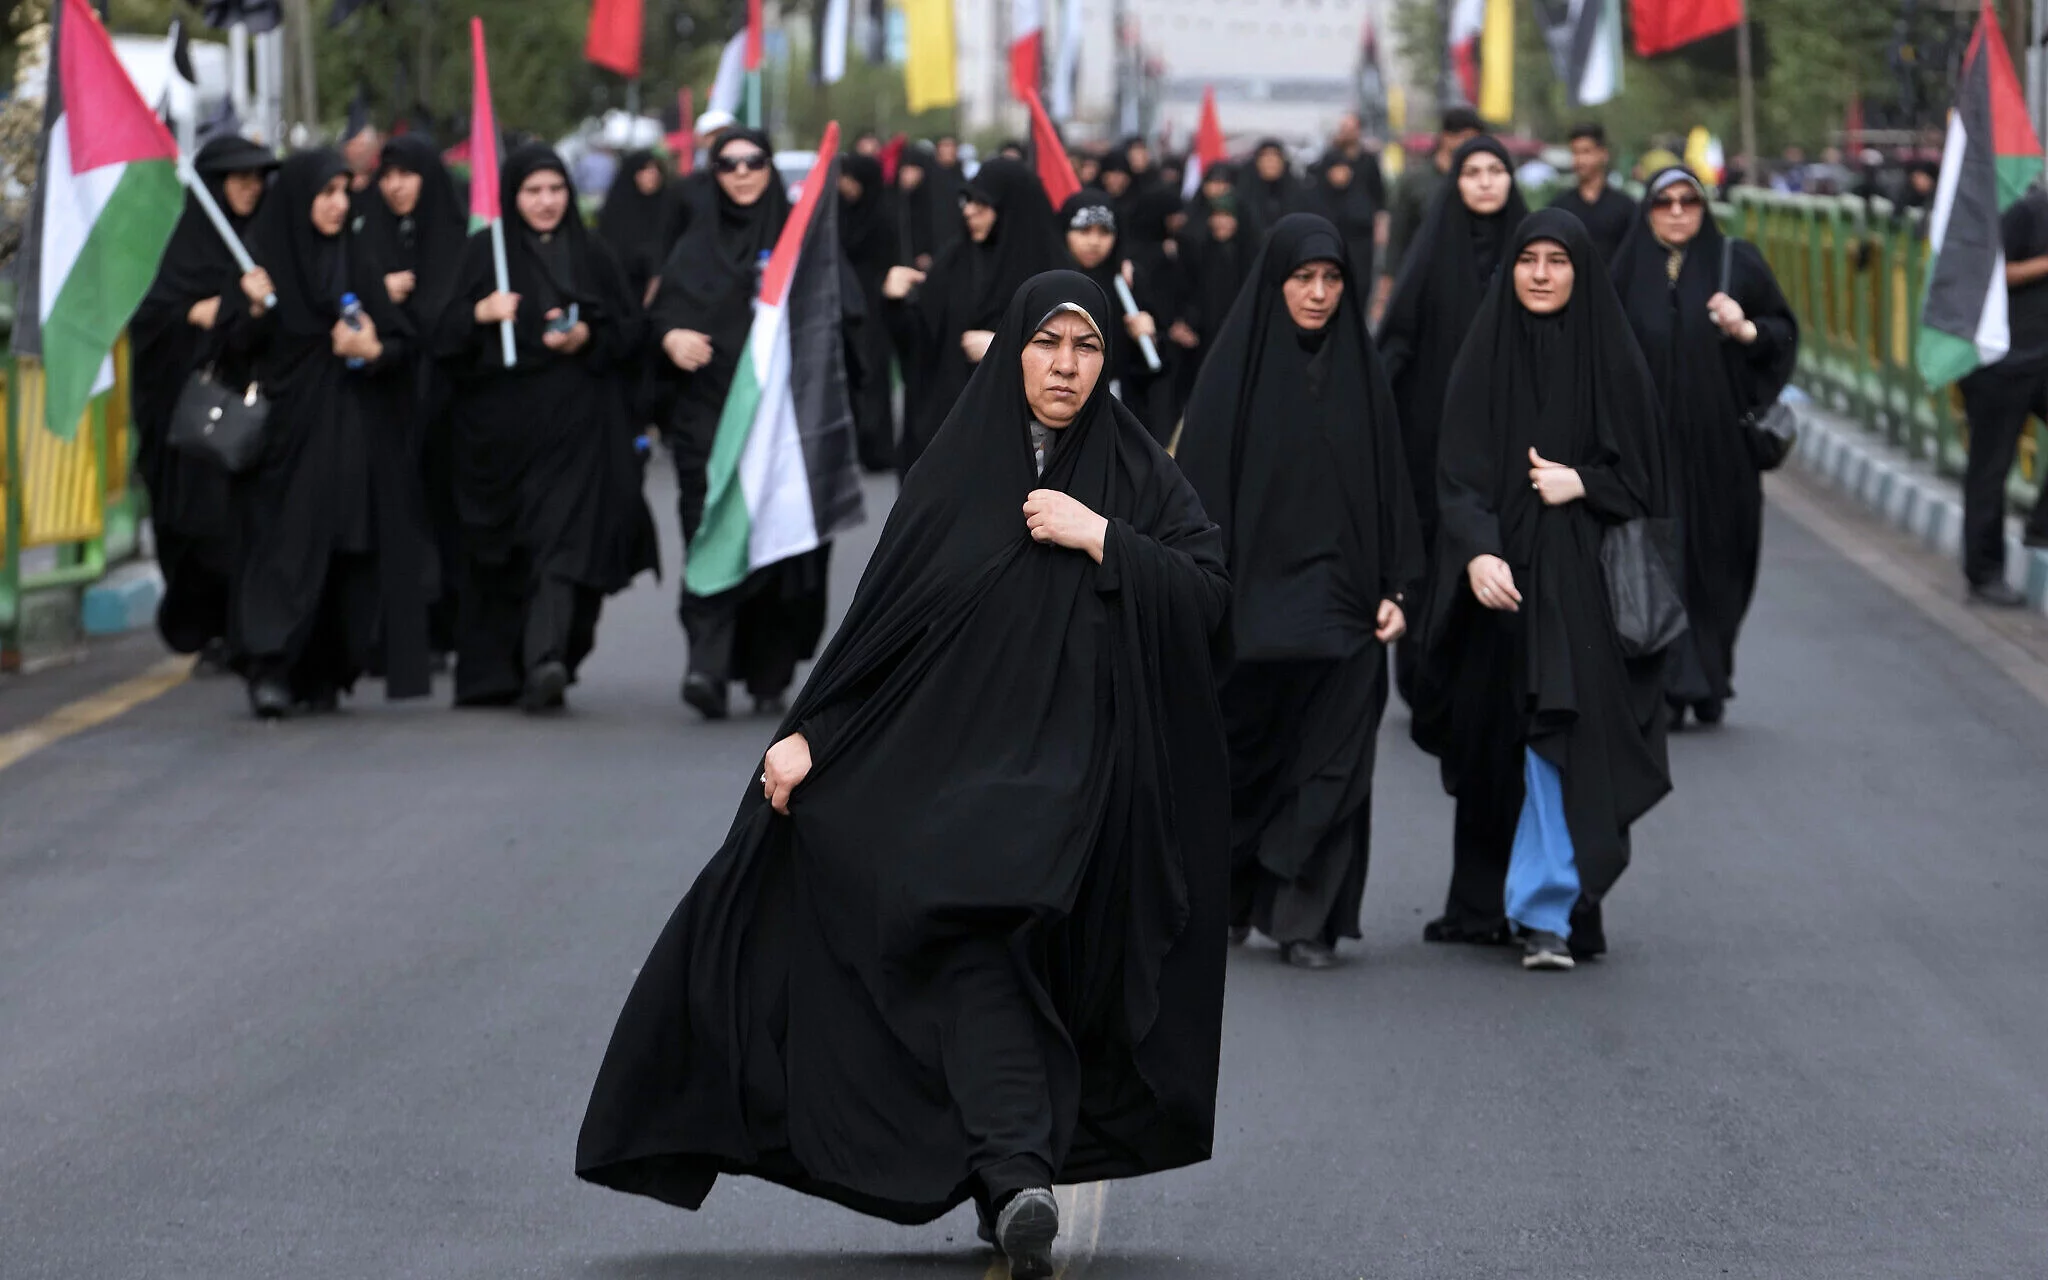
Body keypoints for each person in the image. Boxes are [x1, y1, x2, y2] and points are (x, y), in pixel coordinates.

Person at [576, 272, 1232, 1280]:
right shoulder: (953, 476)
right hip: (949, 773)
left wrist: (1098, 535)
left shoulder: (1137, 475)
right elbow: (883, 635)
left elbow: (1205, 593)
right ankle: (1013, 1176)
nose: (1064, 366)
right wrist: (811, 737)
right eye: (1047, 343)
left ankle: (1009, 1171)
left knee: (1000, 946)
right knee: (971, 936)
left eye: (1085, 348)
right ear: (1013, 348)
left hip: (1082, 779)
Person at [1411, 208, 1673, 968]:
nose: (1541, 274)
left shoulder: (1612, 360)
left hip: (1583, 589)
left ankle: (1548, 909)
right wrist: (1476, 555)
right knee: (1501, 744)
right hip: (1500, 590)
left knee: (1555, 738)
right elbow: (1457, 476)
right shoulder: (1484, 355)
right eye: (1530, 260)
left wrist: (1580, 481)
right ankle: (1498, 901)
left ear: (1581, 271)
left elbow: (1646, 479)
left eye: (1558, 261)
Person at [1177, 214, 1422, 968]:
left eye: (1332, 280)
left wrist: (1399, 589)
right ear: (1275, 282)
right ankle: (1233, 893)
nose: (1318, 295)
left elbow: (1393, 492)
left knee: (1334, 762)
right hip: (1250, 611)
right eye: (1302, 279)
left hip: (1345, 607)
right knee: (1245, 759)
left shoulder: (1362, 371)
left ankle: (1307, 918)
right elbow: (1196, 499)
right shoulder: (1232, 376)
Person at [433, 144, 659, 712]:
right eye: (532, 191)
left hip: (580, 431)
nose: (546, 202)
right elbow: (440, 339)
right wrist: (481, 315)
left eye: (556, 190)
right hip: (501, 439)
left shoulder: (593, 254)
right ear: (512, 197)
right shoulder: (486, 255)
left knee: (566, 544)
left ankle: (547, 658)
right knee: (511, 553)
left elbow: (631, 333)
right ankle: (514, 663)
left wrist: (589, 337)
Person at [215, 150, 432, 718]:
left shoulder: (357, 262)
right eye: (326, 193)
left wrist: (373, 348)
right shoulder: (264, 265)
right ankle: (271, 666)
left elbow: (405, 344)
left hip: (350, 441)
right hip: (282, 445)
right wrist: (254, 310)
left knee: (346, 553)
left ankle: (326, 668)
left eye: (344, 192)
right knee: (281, 551)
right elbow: (227, 350)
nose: (338, 205)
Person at [654, 129, 836, 720]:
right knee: (709, 527)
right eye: (726, 163)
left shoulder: (801, 243)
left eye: (753, 161)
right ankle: (706, 664)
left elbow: (840, 313)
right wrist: (669, 337)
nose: (740, 173)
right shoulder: (694, 248)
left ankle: (768, 671)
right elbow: (659, 317)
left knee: (780, 543)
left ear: (770, 170)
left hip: (784, 425)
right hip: (708, 421)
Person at [1611, 167, 1798, 720]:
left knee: (1723, 560)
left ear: (1704, 208)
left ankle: (1711, 672)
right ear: (1647, 212)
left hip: (1722, 452)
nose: (1675, 212)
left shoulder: (1734, 263)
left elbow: (1783, 331)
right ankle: (1667, 685)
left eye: (1688, 201)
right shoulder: (1625, 272)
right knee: (1655, 558)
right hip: (1649, 452)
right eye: (1663, 203)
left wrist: (1748, 331)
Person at [1377, 135, 1528, 708]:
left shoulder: (1531, 253)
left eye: (1496, 171)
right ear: (1456, 183)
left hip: (1514, 438)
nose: (1486, 181)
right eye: (1473, 172)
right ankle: (1424, 669)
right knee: (1429, 545)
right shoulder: (1433, 253)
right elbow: (1396, 342)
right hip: (1431, 436)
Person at [130, 134, 278, 667]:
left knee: (240, 524)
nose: (251, 188)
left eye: (258, 178)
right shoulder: (178, 248)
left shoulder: (268, 241)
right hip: (186, 420)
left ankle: (244, 628)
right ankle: (206, 627)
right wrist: (224, 306)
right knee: (191, 526)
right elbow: (157, 318)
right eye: (239, 179)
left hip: (254, 412)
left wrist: (244, 307)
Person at [359, 134, 468, 661]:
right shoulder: (369, 235)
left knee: (442, 515)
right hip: (384, 399)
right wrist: (379, 292)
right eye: (387, 175)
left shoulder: (457, 240)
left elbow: (454, 317)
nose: (395, 186)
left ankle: (444, 628)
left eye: (406, 174)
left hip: (447, 406)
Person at [883, 158, 1062, 473]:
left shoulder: (1053, 277)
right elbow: (919, 346)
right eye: (968, 201)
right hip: (951, 433)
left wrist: (1005, 349)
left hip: (1023, 447)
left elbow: (1073, 359)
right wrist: (895, 304)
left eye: (984, 202)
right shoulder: (953, 263)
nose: (969, 211)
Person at [1380, 106, 1483, 312]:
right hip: (1421, 280)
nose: (1472, 146)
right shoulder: (1416, 181)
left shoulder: (1479, 181)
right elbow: (1398, 237)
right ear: (1447, 137)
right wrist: (1386, 288)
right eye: (1466, 138)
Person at [839, 151, 902, 472]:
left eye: (850, 179)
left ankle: (877, 447)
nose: (845, 186)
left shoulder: (884, 216)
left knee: (874, 374)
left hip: (874, 309)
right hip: (843, 306)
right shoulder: (839, 213)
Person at [596, 149, 684, 306]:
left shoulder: (670, 207)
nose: (652, 174)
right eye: (645, 169)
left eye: (655, 168)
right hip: (621, 299)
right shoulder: (615, 212)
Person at [1546, 123, 1636, 262]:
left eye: (1586, 152)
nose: (1580, 160)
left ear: (1603, 154)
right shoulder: (1559, 206)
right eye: (1575, 152)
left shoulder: (1625, 207)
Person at [1304, 146, 1386, 286]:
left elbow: (1365, 222)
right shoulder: (1314, 198)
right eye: (1336, 169)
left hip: (1357, 262)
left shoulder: (1360, 196)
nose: (1341, 174)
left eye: (1345, 169)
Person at [893, 143, 957, 271]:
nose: (907, 174)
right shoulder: (897, 197)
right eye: (904, 168)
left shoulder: (938, 194)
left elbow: (941, 226)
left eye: (913, 168)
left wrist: (927, 251)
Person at [1236, 139, 1303, 235]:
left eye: (1275, 157)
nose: (1270, 161)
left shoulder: (1297, 192)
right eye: (1265, 157)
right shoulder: (1244, 192)